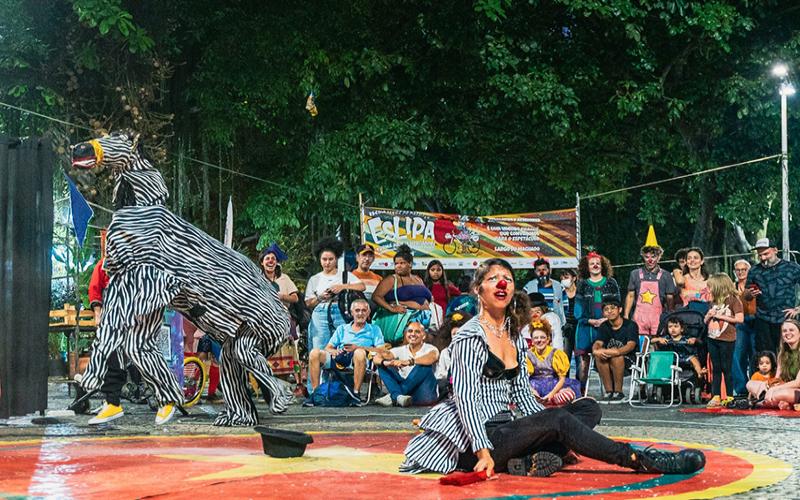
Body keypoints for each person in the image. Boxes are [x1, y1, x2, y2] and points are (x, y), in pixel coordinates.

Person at [400, 258, 705, 478]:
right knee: (560, 419)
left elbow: (521, 392)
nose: (502, 282)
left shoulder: (514, 335)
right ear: (478, 290)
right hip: (476, 439)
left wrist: (546, 425)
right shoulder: (469, 336)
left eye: (506, 277)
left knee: (587, 410)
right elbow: (464, 397)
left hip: (508, 428)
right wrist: (482, 452)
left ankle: (530, 457)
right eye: (493, 278)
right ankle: (640, 459)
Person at [306, 299, 386, 400]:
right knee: (314, 353)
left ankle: (355, 394)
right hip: (340, 358)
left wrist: (357, 348)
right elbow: (328, 347)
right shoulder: (342, 328)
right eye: (357, 310)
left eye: (364, 310)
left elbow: (381, 350)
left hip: (360, 359)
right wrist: (334, 351)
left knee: (359, 353)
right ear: (352, 313)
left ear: (368, 312)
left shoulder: (374, 329)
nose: (360, 313)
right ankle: (316, 393)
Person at [305, 237, 365, 352]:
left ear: (336, 259)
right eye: (324, 259)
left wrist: (342, 287)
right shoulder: (315, 279)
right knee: (319, 347)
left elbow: (362, 286)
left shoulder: (345, 275)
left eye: (330, 259)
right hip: (320, 312)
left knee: (343, 345)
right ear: (319, 260)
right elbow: (308, 303)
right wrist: (320, 297)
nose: (327, 262)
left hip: (341, 310)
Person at [574, 252, 621, 391]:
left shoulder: (611, 283)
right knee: (583, 363)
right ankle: (580, 394)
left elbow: (617, 304)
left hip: (607, 327)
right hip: (586, 328)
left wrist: (607, 319)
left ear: (602, 266)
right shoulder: (582, 284)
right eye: (592, 263)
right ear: (587, 267)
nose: (595, 265)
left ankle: (612, 392)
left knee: (609, 357)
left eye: (598, 263)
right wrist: (589, 320)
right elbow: (578, 307)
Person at [744, 238, 800, 354]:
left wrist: (798, 309)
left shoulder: (793, 268)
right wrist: (750, 294)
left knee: (788, 353)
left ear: (775, 250)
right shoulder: (754, 270)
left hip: (786, 318)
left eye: (766, 254)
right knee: (765, 355)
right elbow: (746, 295)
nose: (763, 258)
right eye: (760, 255)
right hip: (763, 319)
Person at [260, 243, 303, 391]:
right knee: (268, 354)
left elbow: (295, 298)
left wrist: (282, 296)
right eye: (267, 259)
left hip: (283, 319)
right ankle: (269, 386)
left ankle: (292, 385)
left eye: (273, 258)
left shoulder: (284, 278)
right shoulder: (257, 278)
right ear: (262, 262)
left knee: (288, 354)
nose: (270, 261)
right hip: (264, 321)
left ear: (277, 262)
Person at [372, 244, 432, 344]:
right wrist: (391, 308)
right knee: (409, 345)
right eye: (396, 263)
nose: (398, 266)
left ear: (410, 264)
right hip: (405, 320)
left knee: (429, 341)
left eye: (402, 263)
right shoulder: (392, 279)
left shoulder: (418, 279)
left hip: (424, 318)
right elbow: (376, 296)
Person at [374, 322, 439, 407]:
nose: (413, 334)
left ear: (424, 336)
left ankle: (394, 396)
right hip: (406, 396)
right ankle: (398, 396)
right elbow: (377, 358)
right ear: (406, 334)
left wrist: (409, 362)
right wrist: (386, 362)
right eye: (410, 331)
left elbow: (432, 358)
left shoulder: (431, 348)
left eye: (417, 332)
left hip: (424, 393)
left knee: (424, 365)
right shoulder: (400, 349)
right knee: (382, 366)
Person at [703, 273, 744, 408]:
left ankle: (729, 395)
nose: (709, 290)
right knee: (716, 368)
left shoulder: (733, 300)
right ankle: (716, 395)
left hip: (727, 339)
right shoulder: (713, 302)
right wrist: (708, 316)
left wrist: (722, 317)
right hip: (712, 338)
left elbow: (739, 319)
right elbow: (705, 321)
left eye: (711, 287)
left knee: (726, 367)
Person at [624, 235, 676, 337]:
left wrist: (670, 316)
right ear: (643, 257)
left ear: (659, 257)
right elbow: (630, 295)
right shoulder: (635, 274)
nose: (650, 260)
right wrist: (626, 315)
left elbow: (670, 298)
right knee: (640, 344)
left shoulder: (666, 275)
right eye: (647, 257)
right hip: (639, 317)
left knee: (657, 343)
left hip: (658, 317)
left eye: (653, 256)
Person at [745, 320, 800, 411]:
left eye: (791, 330)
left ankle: (761, 402)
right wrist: (771, 387)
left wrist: (773, 390)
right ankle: (782, 402)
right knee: (750, 384)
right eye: (784, 331)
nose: (788, 333)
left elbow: (797, 383)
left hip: (795, 390)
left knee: (779, 394)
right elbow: (777, 379)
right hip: (784, 387)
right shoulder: (782, 354)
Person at [592, 298, 638, 402]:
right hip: (608, 357)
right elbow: (598, 343)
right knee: (599, 357)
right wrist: (595, 351)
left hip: (628, 359)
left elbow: (630, 346)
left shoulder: (630, 325)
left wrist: (614, 352)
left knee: (617, 357)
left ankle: (618, 392)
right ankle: (609, 391)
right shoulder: (604, 326)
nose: (609, 311)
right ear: (603, 313)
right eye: (606, 309)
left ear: (620, 310)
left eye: (613, 308)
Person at [526, 319, 581, 406]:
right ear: (532, 341)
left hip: (554, 384)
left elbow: (561, 379)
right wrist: (533, 392)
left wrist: (550, 395)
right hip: (534, 385)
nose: (539, 340)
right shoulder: (528, 354)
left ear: (548, 339)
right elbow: (524, 378)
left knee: (567, 395)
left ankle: (554, 401)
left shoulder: (556, 354)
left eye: (542, 337)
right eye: (536, 338)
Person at [429, 312, 473, 400]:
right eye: (454, 334)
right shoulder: (445, 352)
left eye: (460, 334)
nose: (457, 337)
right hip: (450, 385)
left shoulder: (472, 350)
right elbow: (440, 374)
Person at [731, 259, 757, 395]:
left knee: (755, 354)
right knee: (738, 354)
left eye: (744, 269)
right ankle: (741, 388)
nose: (741, 272)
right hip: (739, 322)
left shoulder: (754, 285)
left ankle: (755, 386)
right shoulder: (732, 287)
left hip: (755, 321)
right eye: (738, 270)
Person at [522, 258, 567, 326]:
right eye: (538, 270)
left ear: (549, 270)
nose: (541, 273)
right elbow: (522, 306)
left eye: (544, 270)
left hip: (555, 324)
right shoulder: (528, 287)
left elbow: (565, 306)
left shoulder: (559, 286)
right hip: (534, 325)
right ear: (535, 272)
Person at [558, 269, 578, 375]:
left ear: (574, 278)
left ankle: (581, 385)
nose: (563, 280)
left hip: (579, 327)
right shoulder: (559, 292)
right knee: (565, 356)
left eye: (566, 277)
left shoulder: (580, 292)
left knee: (580, 357)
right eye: (561, 278)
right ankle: (564, 383)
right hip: (565, 328)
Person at [680, 248, 711, 314]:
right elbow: (684, 295)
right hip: (689, 314)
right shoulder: (682, 279)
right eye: (689, 258)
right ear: (686, 262)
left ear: (702, 261)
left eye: (696, 258)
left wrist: (692, 294)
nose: (692, 260)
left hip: (708, 314)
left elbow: (712, 297)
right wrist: (703, 295)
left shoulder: (710, 279)